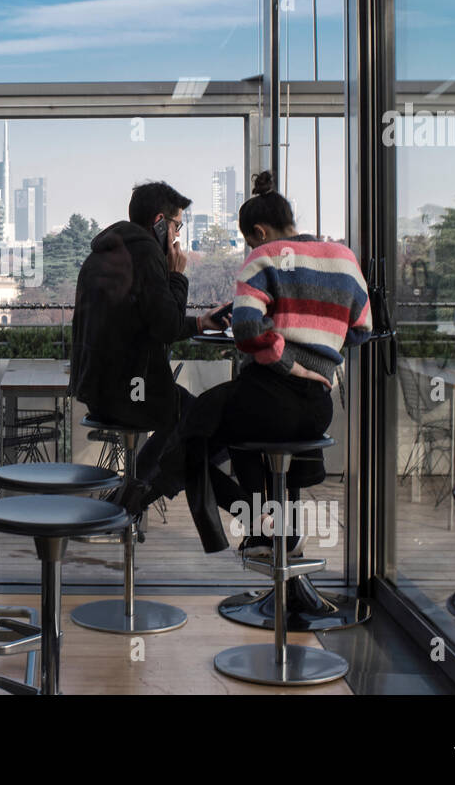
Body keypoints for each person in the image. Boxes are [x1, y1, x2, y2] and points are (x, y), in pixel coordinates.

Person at [132, 171, 373, 557]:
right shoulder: (344, 259)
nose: (249, 250)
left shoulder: (264, 257)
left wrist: (287, 360)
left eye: (247, 243)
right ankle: (269, 526)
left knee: (189, 438)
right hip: (317, 408)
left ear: (258, 233)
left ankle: (250, 521)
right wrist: (318, 351)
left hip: (266, 399)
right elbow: (361, 329)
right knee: (213, 420)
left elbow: (246, 330)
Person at [69, 180, 215, 447]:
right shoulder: (146, 254)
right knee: (206, 420)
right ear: (160, 222)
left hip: (96, 394)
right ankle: (142, 488)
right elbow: (167, 329)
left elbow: (147, 321)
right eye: (177, 226)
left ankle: (139, 485)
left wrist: (200, 324)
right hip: (133, 397)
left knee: (188, 417)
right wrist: (176, 277)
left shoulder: (104, 253)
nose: (177, 236)